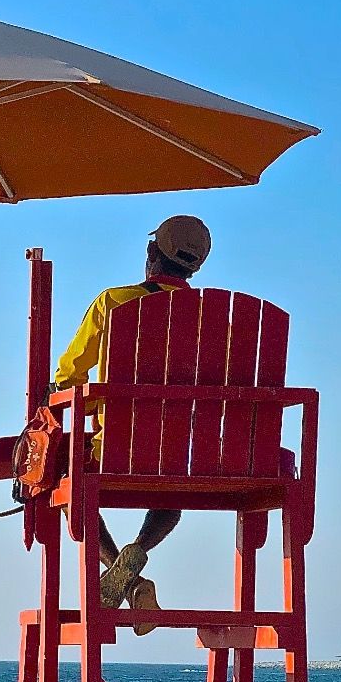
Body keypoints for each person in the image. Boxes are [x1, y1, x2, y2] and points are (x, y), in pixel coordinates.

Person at [52, 215, 213, 632]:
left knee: (68, 485)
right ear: (195, 267)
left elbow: (69, 378)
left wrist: (95, 406)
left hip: (117, 452)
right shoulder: (217, 320)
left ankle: (122, 571)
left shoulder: (114, 302)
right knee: (170, 496)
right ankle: (137, 553)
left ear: (151, 252)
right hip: (186, 459)